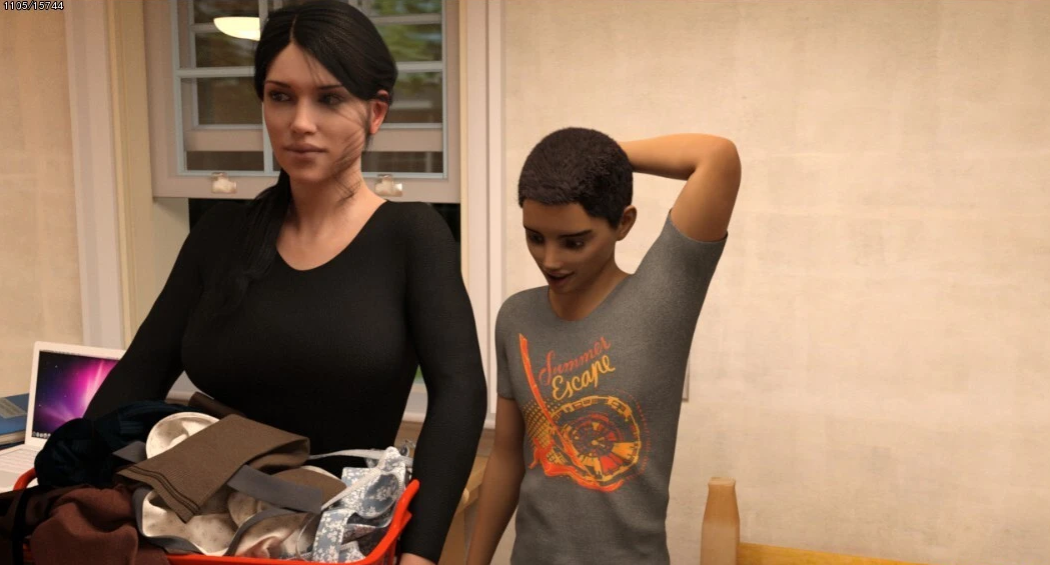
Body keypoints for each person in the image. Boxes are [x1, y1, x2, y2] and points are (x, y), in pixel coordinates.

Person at [84, 2, 487, 563]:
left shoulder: (412, 237)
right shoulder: (220, 235)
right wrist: (68, 482)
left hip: (337, 538)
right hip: (198, 536)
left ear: (375, 113)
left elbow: (461, 395)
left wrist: (419, 555)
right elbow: (138, 373)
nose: (300, 122)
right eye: (280, 96)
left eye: (329, 99)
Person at [466, 128, 741, 564]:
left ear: (623, 223)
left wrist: (595, 158)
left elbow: (717, 157)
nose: (550, 260)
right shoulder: (516, 317)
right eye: (535, 237)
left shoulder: (661, 300)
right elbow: (507, 456)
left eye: (574, 242)